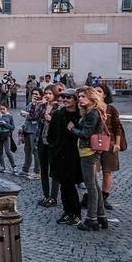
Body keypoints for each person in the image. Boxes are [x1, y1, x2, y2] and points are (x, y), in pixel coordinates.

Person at [67, 87, 108, 231]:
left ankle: (91, 219)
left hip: (88, 151)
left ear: (91, 98)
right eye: (79, 96)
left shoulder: (93, 113)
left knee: (91, 186)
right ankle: (101, 217)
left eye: (83, 96)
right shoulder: (91, 112)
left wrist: (72, 129)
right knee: (94, 185)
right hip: (88, 151)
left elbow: (86, 133)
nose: (80, 99)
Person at [50, 89, 82, 226]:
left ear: (75, 100)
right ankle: (67, 211)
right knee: (63, 185)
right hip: (59, 154)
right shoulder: (58, 114)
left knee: (70, 185)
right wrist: (54, 148)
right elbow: (51, 133)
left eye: (68, 98)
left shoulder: (80, 115)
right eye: (63, 97)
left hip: (74, 155)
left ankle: (75, 213)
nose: (65, 100)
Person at [98, 84, 125, 211]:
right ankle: (94, 195)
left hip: (110, 142)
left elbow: (117, 127)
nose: (97, 93)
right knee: (92, 172)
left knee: (107, 171)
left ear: (105, 94)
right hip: (94, 144)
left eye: (99, 91)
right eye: (95, 91)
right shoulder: (89, 108)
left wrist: (117, 144)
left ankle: (104, 197)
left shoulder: (111, 109)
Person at [35, 87, 59, 207]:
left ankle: (53, 197)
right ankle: (46, 195)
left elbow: (60, 124)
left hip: (52, 142)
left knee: (54, 170)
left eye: (50, 93)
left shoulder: (58, 107)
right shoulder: (42, 106)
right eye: (46, 93)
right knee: (43, 169)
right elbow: (34, 116)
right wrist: (41, 105)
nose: (48, 95)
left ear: (55, 94)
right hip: (41, 140)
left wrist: (51, 119)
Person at [19, 90, 42, 179]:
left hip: (35, 130)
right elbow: (23, 112)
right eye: (33, 94)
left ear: (40, 95)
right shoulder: (31, 104)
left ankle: (37, 172)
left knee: (35, 151)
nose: (34, 96)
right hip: (27, 129)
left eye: (36, 94)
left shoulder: (40, 105)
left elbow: (35, 117)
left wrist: (28, 115)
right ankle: (25, 169)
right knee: (27, 150)